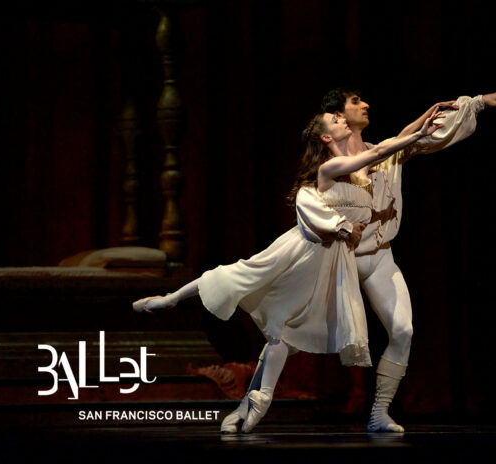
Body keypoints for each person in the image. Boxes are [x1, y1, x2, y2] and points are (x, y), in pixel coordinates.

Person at [132, 109, 445, 433]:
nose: (343, 121)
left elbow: (383, 150)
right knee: (239, 275)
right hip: (306, 251)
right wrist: (341, 226)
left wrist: (422, 124)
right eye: (335, 120)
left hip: (331, 262)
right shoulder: (331, 166)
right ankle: (170, 299)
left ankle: (254, 404)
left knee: (284, 332)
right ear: (326, 137)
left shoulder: (358, 162)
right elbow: (374, 156)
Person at [297, 88, 496, 433]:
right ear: (338, 117)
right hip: (341, 260)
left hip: (380, 258)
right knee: (289, 329)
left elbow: (422, 137)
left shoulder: (386, 153)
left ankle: (379, 412)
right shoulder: (333, 164)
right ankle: (254, 402)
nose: (365, 104)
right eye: (355, 102)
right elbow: (400, 141)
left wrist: (475, 104)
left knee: (402, 330)